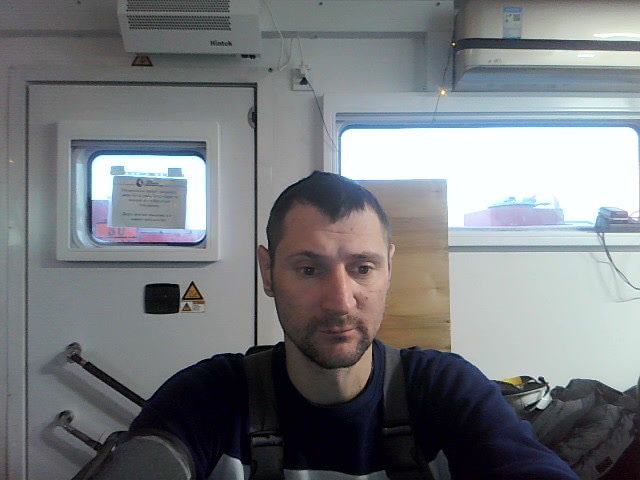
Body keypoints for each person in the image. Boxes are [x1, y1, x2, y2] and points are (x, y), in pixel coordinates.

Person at [95, 171, 580, 480]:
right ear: (268, 272)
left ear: (389, 269)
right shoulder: (208, 398)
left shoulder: (444, 390)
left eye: (362, 268)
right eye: (309, 269)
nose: (340, 300)